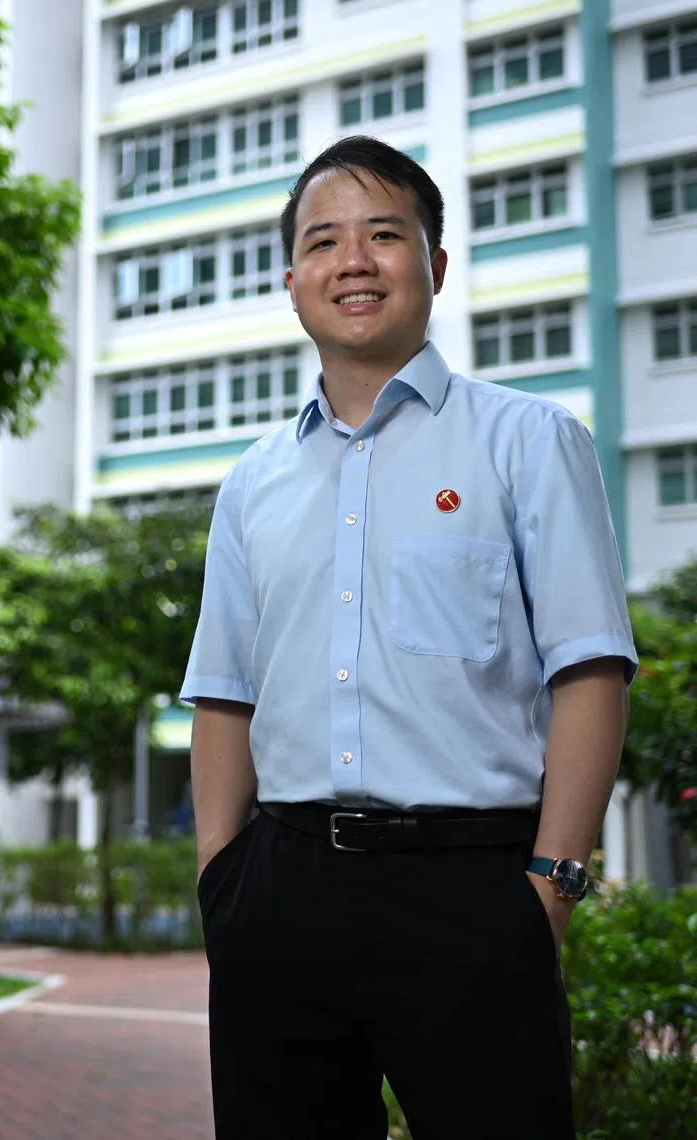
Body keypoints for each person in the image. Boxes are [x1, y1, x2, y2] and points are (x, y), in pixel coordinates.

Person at [180, 135, 636, 1140]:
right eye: (325, 241)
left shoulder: (529, 441)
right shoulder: (252, 482)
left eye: (384, 235)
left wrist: (552, 887)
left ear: (433, 266)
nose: (354, 260)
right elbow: (223, 692)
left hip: (472, 895)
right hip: (281, 892)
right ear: (290, 277)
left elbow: (592, 671)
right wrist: (224, 879)